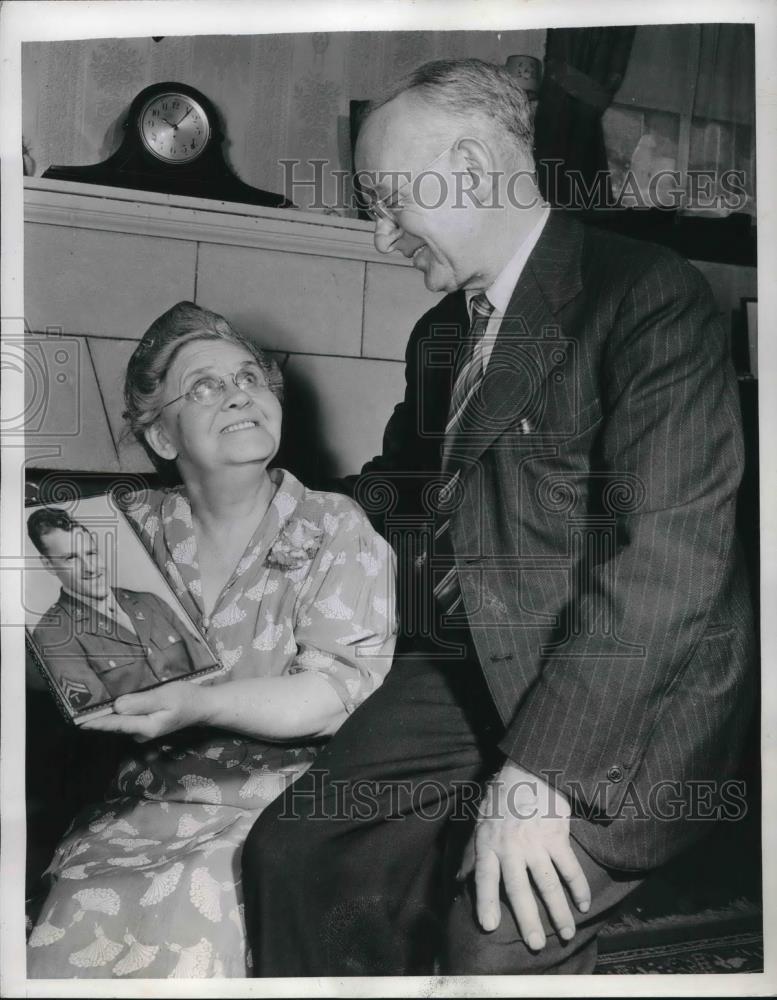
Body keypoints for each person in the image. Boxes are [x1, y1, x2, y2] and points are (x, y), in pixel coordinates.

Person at [242, 59, 755, 975]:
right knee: (292, 854)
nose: (378, 233)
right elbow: (397, 486)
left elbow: (667, 566)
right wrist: (262, 517)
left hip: (633, 693)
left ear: (471, 169)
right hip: (476, 658)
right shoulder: (440, 336)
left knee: (494, 937)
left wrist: (537, 777)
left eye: (390, 201)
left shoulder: (646, 294)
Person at [26, 301, 397, 978]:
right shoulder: (118, 531)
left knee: (196, 924)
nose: (238, 395)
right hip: (142, 810)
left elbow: (335, 693)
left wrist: (199, 705)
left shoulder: (333, 526)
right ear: (162, 438)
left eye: (250, 378)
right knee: (65, 944)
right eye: (204, 386)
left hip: (283, 815)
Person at [27, 508, 216, 715]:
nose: (90, 567)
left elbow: (208, 670)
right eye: (71, 558)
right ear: (49, 565)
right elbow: (100, 718)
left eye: (91, 553)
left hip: (208, 720)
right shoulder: (53, 635)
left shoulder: (149, 602)